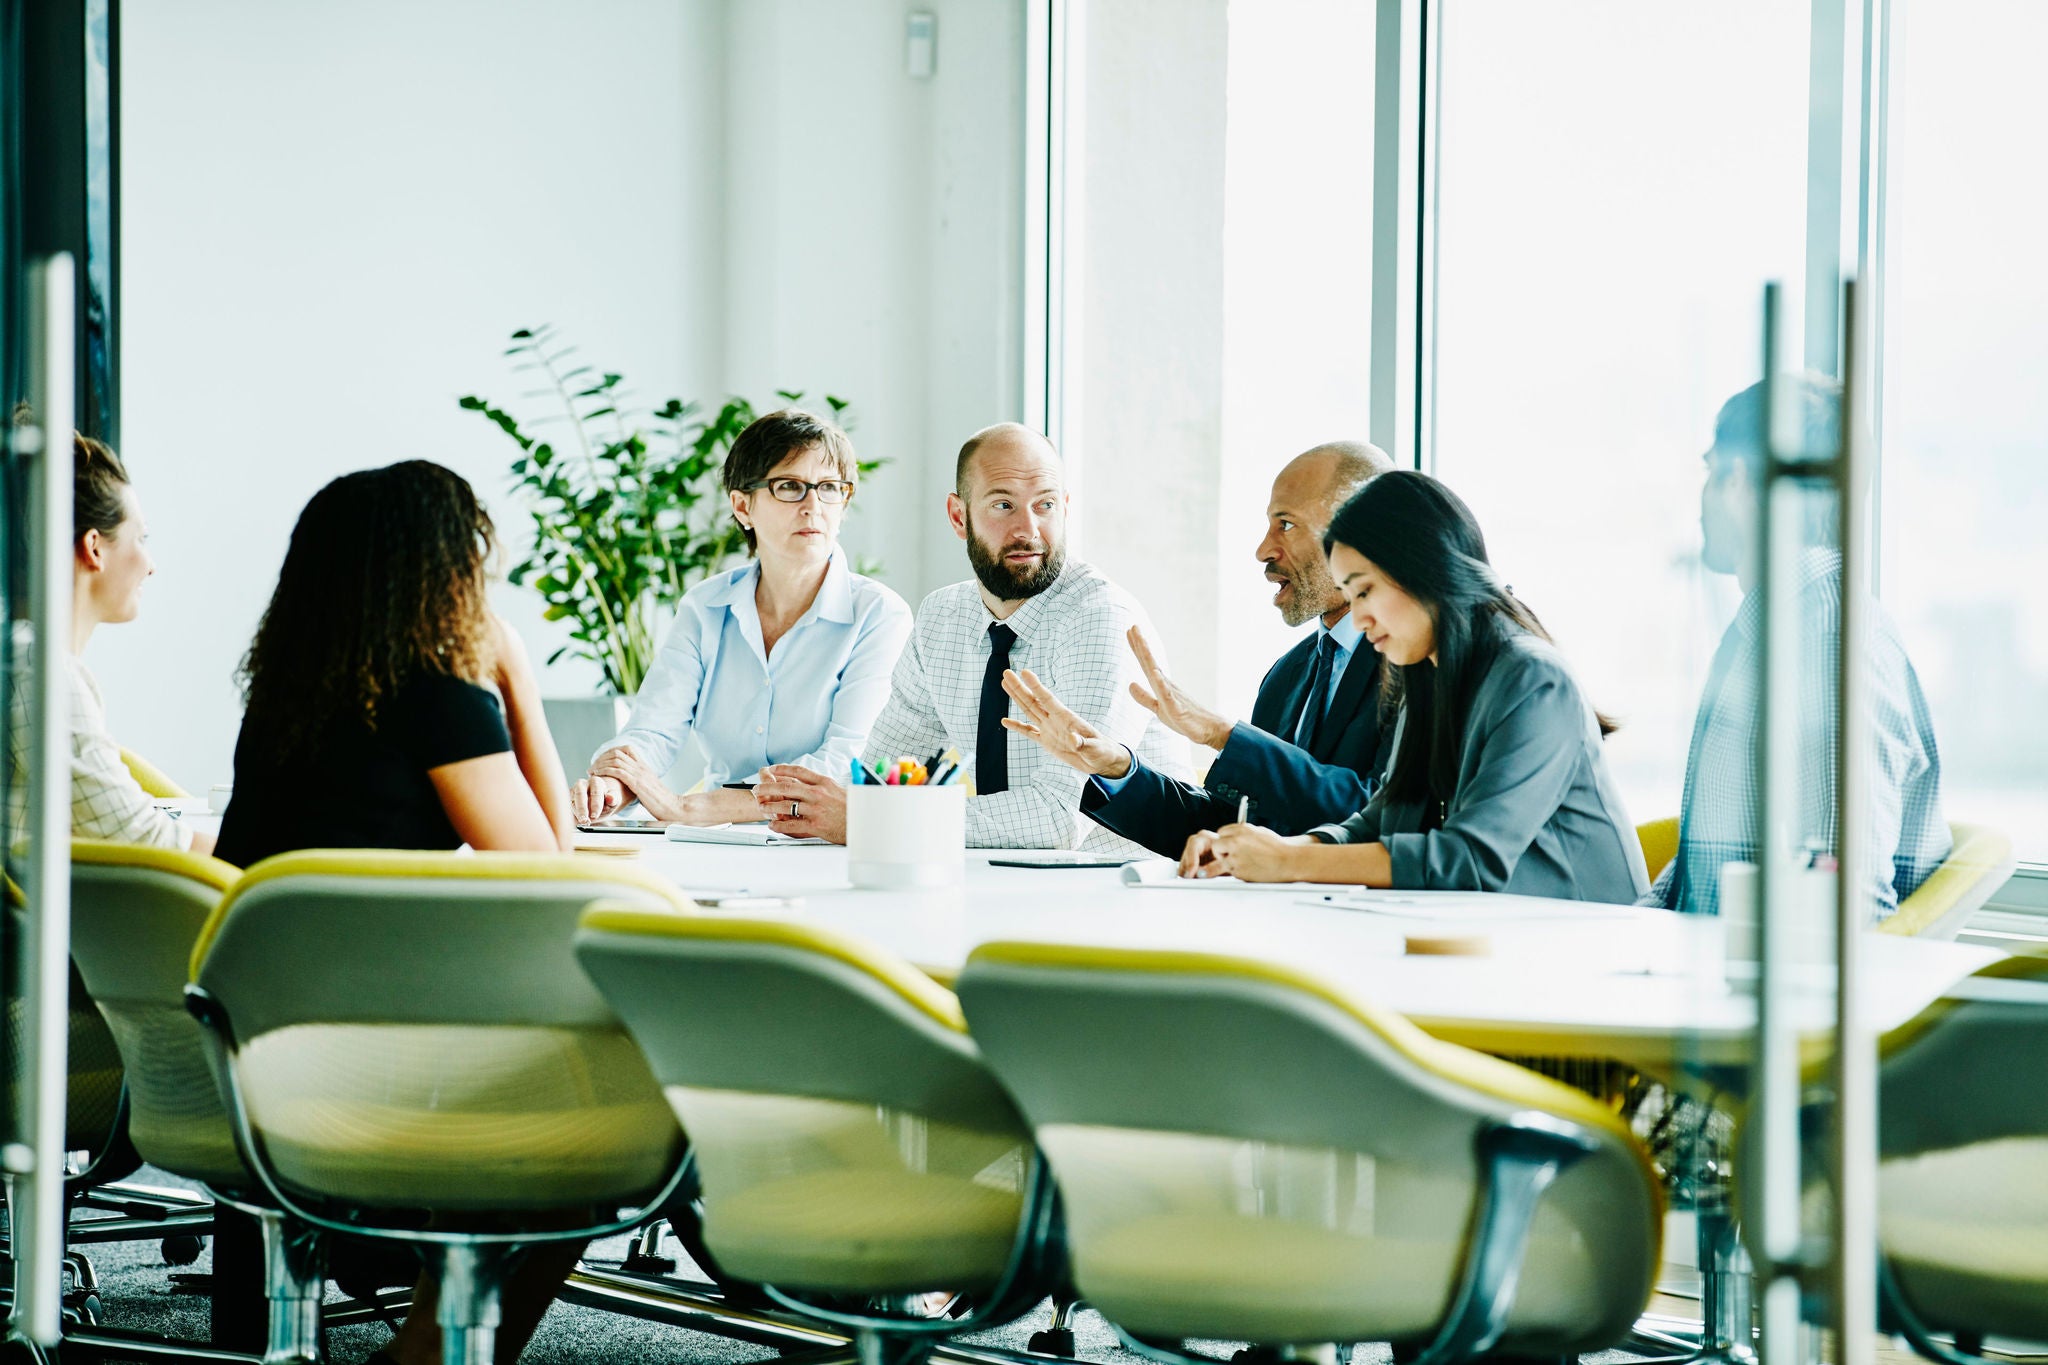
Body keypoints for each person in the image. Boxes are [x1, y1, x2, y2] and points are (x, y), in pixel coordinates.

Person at [210, 460, 576, 1365]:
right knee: (583, 1125)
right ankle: (425, 1348)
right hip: (363, 1067)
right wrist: (515, 681)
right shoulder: (436, 700)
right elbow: (550, 870)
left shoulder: (287, 704)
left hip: (240, 1051)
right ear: (442, 571)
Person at [1184, 471, 1648, 902]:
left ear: (1426, 571)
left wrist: (1289, 861)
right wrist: (1266, 850)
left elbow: (1472, 860)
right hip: (1501, 937)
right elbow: (1381, 819)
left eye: (1364, 591)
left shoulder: (1534, 678)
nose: (1359, 617)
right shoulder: (1427, 676)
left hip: (1588, 946)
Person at [753, 422, 1190, 853]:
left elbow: (1061, 817)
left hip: (1118, 890)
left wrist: (869, 819)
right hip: (1001, 883)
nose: (1029, 529)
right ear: (959, 516)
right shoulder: (943, 617)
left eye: (1045, 505)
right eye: (1003, 505)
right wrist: (821, 804)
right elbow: (884, 772)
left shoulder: (1099, 619)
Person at [1001, 440, 1397, 857]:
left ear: (1362, 532)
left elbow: (1378, 815)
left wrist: (1220, 733)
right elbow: (1232, 827)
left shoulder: (1419, 663)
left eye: (1287, 524)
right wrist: (1116, 768)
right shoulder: (1289, 674)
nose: (1263, 550)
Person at [1652, 375, 1947, 919]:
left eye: (1710, 470)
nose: (1700, 501)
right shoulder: (1766, 630)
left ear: (1736, 479)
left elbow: (1845, 905)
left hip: (1760, 992)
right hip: (1710, 971)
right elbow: (1705, 870)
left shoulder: (1830, 643)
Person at [569, 409, 911, 826]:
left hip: (818, 845)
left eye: (829, 488)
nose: (812, 506)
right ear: (742, 506)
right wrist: (614, 784)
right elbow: (654, 730)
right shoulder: (705, 607)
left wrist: (692, 808)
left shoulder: (879, 614)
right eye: (789, 486)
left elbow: (845, 758)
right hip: (714, 839)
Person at [7, 434, 213, 854]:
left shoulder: (26, 655)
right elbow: (146, 840)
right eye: (142, 538)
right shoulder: (38, 668)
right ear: (94, 547)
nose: (150, 566)